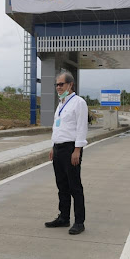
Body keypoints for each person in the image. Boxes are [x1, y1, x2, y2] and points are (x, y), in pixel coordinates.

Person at [45, 71, 89, 235]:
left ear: (70, 85)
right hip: (58, 149)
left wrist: (77, 149)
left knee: (74, 186)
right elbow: (57, 127)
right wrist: (52, 146)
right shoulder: (61, 103)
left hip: (71, 149)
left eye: (61, 84)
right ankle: (63, 217)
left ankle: (79, 222)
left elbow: (81, 127)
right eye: (56, 84)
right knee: (61, 185)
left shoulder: (79, 103)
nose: (58, 87)